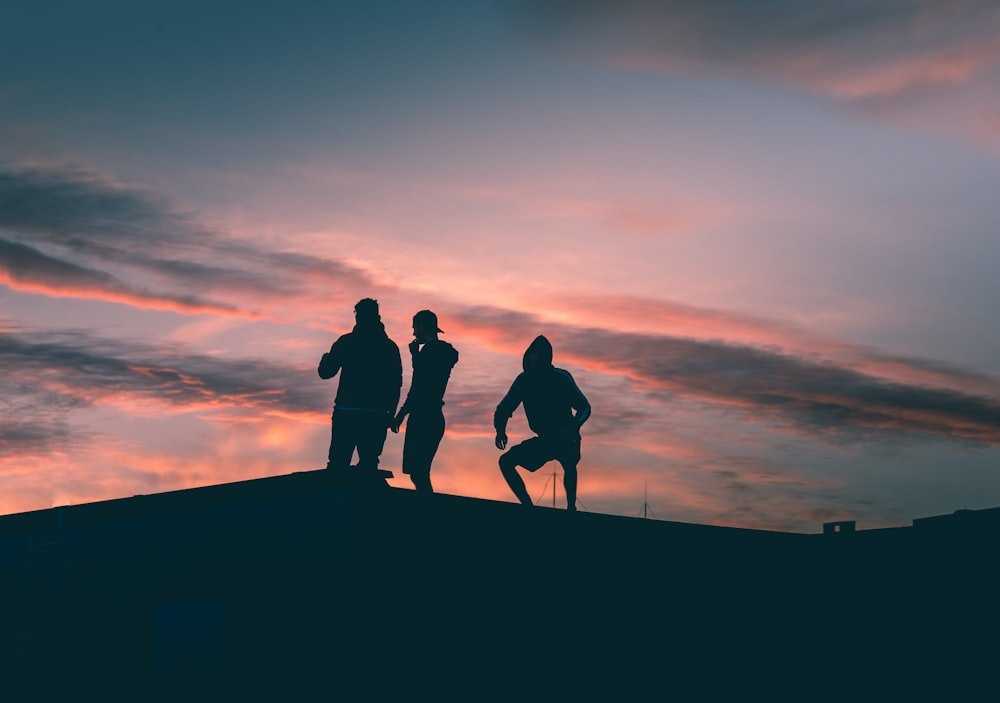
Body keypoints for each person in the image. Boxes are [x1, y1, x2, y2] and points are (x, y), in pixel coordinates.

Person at [494, 335, 591, 510]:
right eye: (535, 353)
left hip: (566, 436)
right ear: (529, 356)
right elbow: (504, 407)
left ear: (548, 358)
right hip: (545, 439)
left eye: (542, 354)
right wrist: (500, 430)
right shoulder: (523, 381)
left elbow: (585, 406)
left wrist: (574, 425)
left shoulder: (560, 377)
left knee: (569, 462)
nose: (538, 357)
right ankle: (527, 505)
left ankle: (571, 507)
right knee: (506, 462)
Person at [318, 298, 402, 475]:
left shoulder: (346, 342)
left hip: (347, 412)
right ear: (378, 317)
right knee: (369, 467)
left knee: (337, 466)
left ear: (357, 317)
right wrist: (391, 413)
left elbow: (325, 372)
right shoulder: (389, 348)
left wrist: (326, 357)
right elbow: (396, 384)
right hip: (377, 415)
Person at [391, 310, 459, 493]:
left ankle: (427, 512)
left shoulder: (429, 352)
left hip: (423, 417)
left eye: (415, 328)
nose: (413, 333)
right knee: (420, 472)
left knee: (419, 473)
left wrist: (400, 416)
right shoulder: (442, 352)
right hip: (434, 417)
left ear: (422, 326)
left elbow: (419, 388)